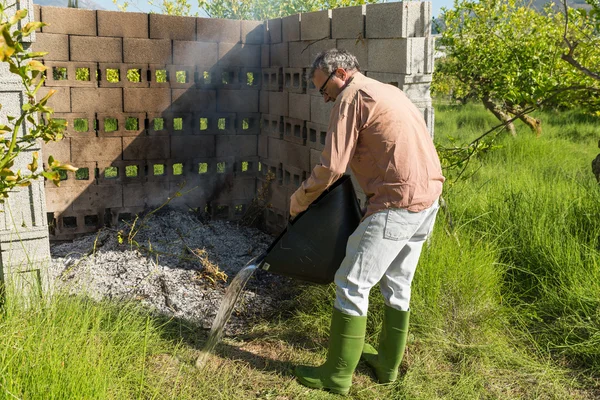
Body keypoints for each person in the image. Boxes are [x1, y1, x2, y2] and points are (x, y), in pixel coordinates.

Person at [289, 49, 445, 395]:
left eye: (324, 88)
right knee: (397, 283)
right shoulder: (389, 91)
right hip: (428, 199)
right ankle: (387, 364)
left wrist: (299, 200)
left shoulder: (351, 98)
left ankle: (336, 376)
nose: (325, 96)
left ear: (341, 73)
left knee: (351, 282)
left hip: (397, 204)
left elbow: (332, 167)